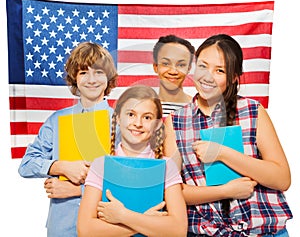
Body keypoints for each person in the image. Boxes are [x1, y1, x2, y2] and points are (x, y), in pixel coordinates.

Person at [164, 34, 293, 236]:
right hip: (206, 232)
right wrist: (226, 191)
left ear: (233, 77)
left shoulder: (252, 111)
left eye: (220, 70)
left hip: (263, 231)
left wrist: (222, 153)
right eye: (203, 66)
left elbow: (282, 178)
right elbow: (173, 191)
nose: (208, 76)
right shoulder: (176, 122)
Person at [18, 42, 118, 237]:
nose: (91, 80)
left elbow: (128, 179)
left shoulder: (122, 122)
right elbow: (26, 165)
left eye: (99, 72)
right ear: (74, 78)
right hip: (62, 227)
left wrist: (78, 190)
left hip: (104, 225)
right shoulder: (56, 121)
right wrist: (61, 167)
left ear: (108, 78)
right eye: (83, 73)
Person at [77, 85, 187, 237]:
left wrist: (123, 215)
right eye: (131, 114)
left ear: (157, 125)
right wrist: (145, 223)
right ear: (117, 118)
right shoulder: (101, 165)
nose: (138, 123)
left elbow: (178, 230)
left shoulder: (167, 166)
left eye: (147, 117)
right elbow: (86, 229)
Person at [153, 34, 195, 118]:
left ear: (188, 68)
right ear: (156, 67)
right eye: (166, 63)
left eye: (181, 65)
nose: (173, 71)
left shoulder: (198, 108)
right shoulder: (143, 107)